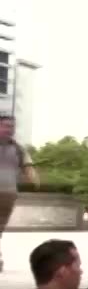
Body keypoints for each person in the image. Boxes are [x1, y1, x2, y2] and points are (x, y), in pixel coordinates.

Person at [0, 114, 35, 270]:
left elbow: (28, 166)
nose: (10, 129)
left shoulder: (18, 149)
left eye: (12, 126)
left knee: (0, 226)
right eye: (6, 126)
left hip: (8, 193)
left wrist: (33, 177)